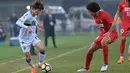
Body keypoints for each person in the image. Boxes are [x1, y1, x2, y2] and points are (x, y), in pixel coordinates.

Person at [77, 2, 118, 72]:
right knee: (90, 50)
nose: (88, 13)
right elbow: (102, 26)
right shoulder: (94, 15)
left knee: (103, 41)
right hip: (102, 34)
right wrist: (101, 35)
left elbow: (114, 24)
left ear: (94, 10)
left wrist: (108, 32)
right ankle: (86, 68)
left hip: (112, 33)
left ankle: (105, 64)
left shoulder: (104, 14)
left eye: (89, 11)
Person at [16, 1, 45, 73]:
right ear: (33, 9)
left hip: (32, 36)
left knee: (42, 49)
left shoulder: (34, 14)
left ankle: (40, 64)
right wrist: (27, 27)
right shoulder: (27, 15)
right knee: (28, 57)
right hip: (24, 39)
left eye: (40, 11)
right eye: (38, 11)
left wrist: (38, 25)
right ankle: (33, 67)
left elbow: (33, 20)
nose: (38, 12)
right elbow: (18, 22)